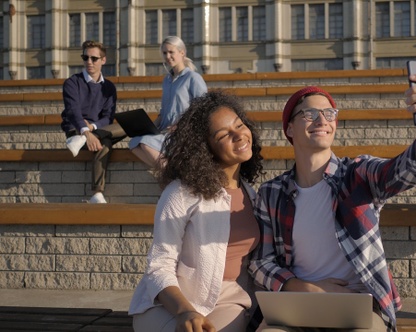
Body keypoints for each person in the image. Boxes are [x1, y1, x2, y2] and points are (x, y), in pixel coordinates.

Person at [249, 77, 416, 331]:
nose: (322, 121)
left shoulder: (357, 175)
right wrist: (307, 288)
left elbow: (409, 168)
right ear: (289, 129)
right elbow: (261, 262)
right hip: (298, 302)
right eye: (310, 113)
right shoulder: (272, 193)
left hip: (357, 305)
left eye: (329, 113)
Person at [128, 90, 264, 332]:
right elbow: (160, 265)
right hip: (172, 302)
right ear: (206, 148)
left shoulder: (252, 196)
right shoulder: (180, 193)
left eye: (239, 125)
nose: (239, 135)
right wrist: (185, 310)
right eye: (224, 134)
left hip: (229, 300)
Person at [61, 40, 126, 204]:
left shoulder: (109, 87)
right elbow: (72, 111)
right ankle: (97, 193)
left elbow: (108, 117)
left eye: (94, 59)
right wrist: (84, 131)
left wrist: (92, 130)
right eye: (86, 57)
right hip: (76, 130)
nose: (89, 62)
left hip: (95, 130)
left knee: (128, 125)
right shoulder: (72, 82)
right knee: (105, 142)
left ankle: (97, 194)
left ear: (103, 60)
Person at [129, 35, 208, 170]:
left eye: (171, 52)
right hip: (164, 131)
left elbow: (204, 108)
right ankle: (167, 172)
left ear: (182, 53)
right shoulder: (167, 80)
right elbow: (164, 111)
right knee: (133, 143)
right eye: (165, 53)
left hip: (182, 132)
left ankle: (168, 176)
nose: (168, 56)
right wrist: (149, 127)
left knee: (145, 142)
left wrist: (181, 125)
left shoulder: (193, 78)